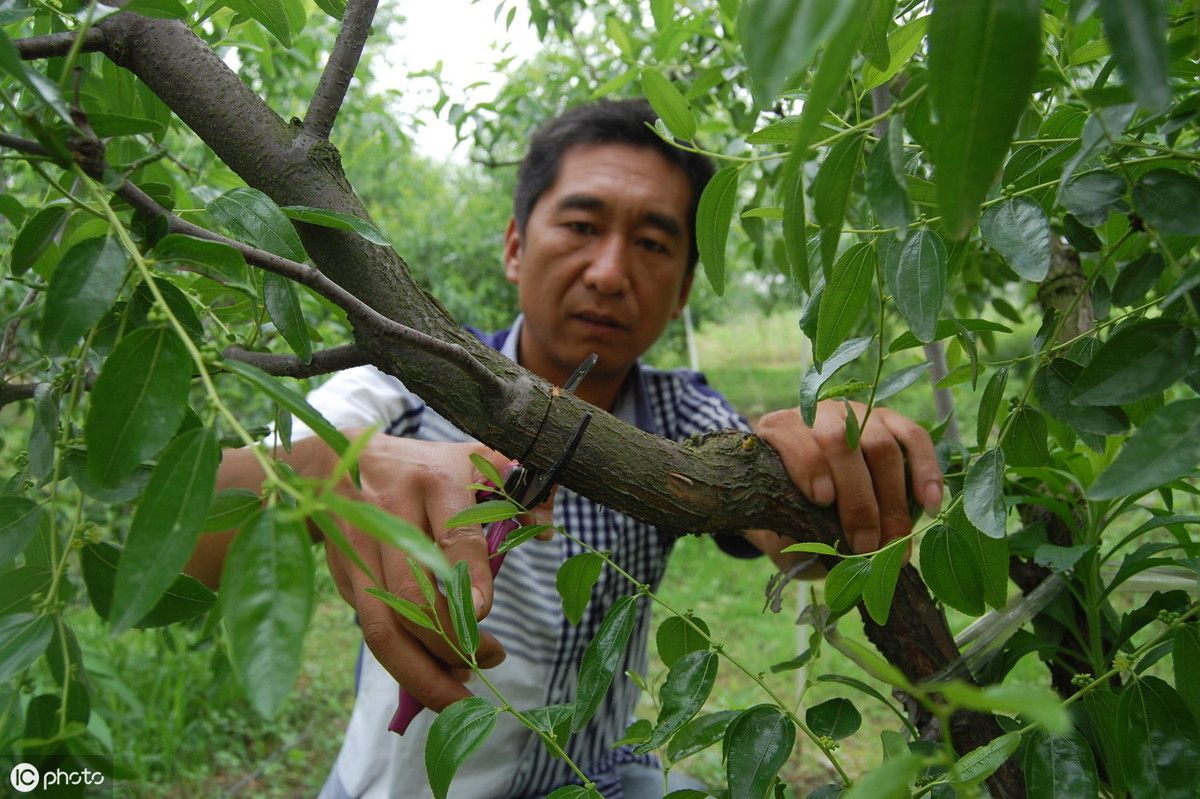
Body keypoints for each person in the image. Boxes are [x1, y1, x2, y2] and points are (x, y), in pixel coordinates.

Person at [187, 99, 943, 799]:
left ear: (682, 291)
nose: (610, 274)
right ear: (516, 247)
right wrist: (327, 466)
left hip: (600, 777)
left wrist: (819, 459)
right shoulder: (408, 382)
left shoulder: (681, 413)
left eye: (652, 243)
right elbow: (194, 537)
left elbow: (798, 544)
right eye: (581, 226)